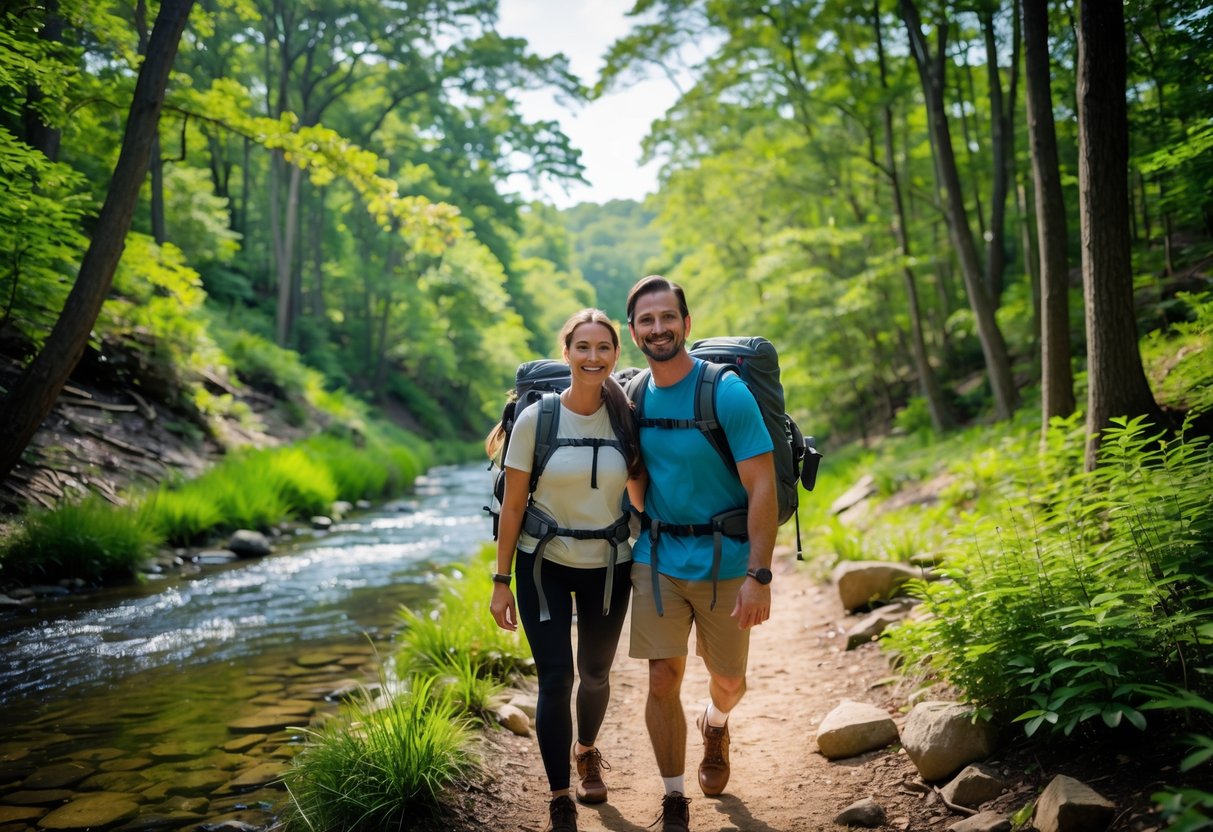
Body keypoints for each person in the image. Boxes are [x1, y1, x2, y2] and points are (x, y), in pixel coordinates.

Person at [624, 275, 778, 832]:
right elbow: (633, 477)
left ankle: (716, 722)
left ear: (686, 325)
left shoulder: (726, 391)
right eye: (647, 320)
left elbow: (762, 485)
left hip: (727, 559)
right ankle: (673, 797)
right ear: (634, 331)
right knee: (662, 676)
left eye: (668, 317)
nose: (658, 328)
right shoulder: (633, 397)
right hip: (659, 557)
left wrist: (759, 574)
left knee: (729, 680)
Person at [487, 309, 644, 832]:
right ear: (567, 352)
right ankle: (559, 796)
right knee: (556, 678)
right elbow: (512, 507)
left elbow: (642, 491)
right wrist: (500, 580)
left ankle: (586, 751)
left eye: (603, 348)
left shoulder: (627, 418)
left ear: (616, 355)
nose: (593, 357)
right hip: (542, 566)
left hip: (609, 565)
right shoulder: (538, 418)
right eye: (583, 347)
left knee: (596, 673)